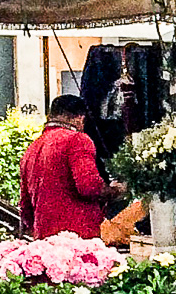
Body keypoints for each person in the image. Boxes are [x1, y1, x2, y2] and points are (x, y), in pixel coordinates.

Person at [20, 95, 124, 240]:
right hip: (77, 237)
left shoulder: (32, 148)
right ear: (79, 118)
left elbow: (25, 206)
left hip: (44, 240)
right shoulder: (76, 140)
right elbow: (90, 187)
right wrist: (114, 191)